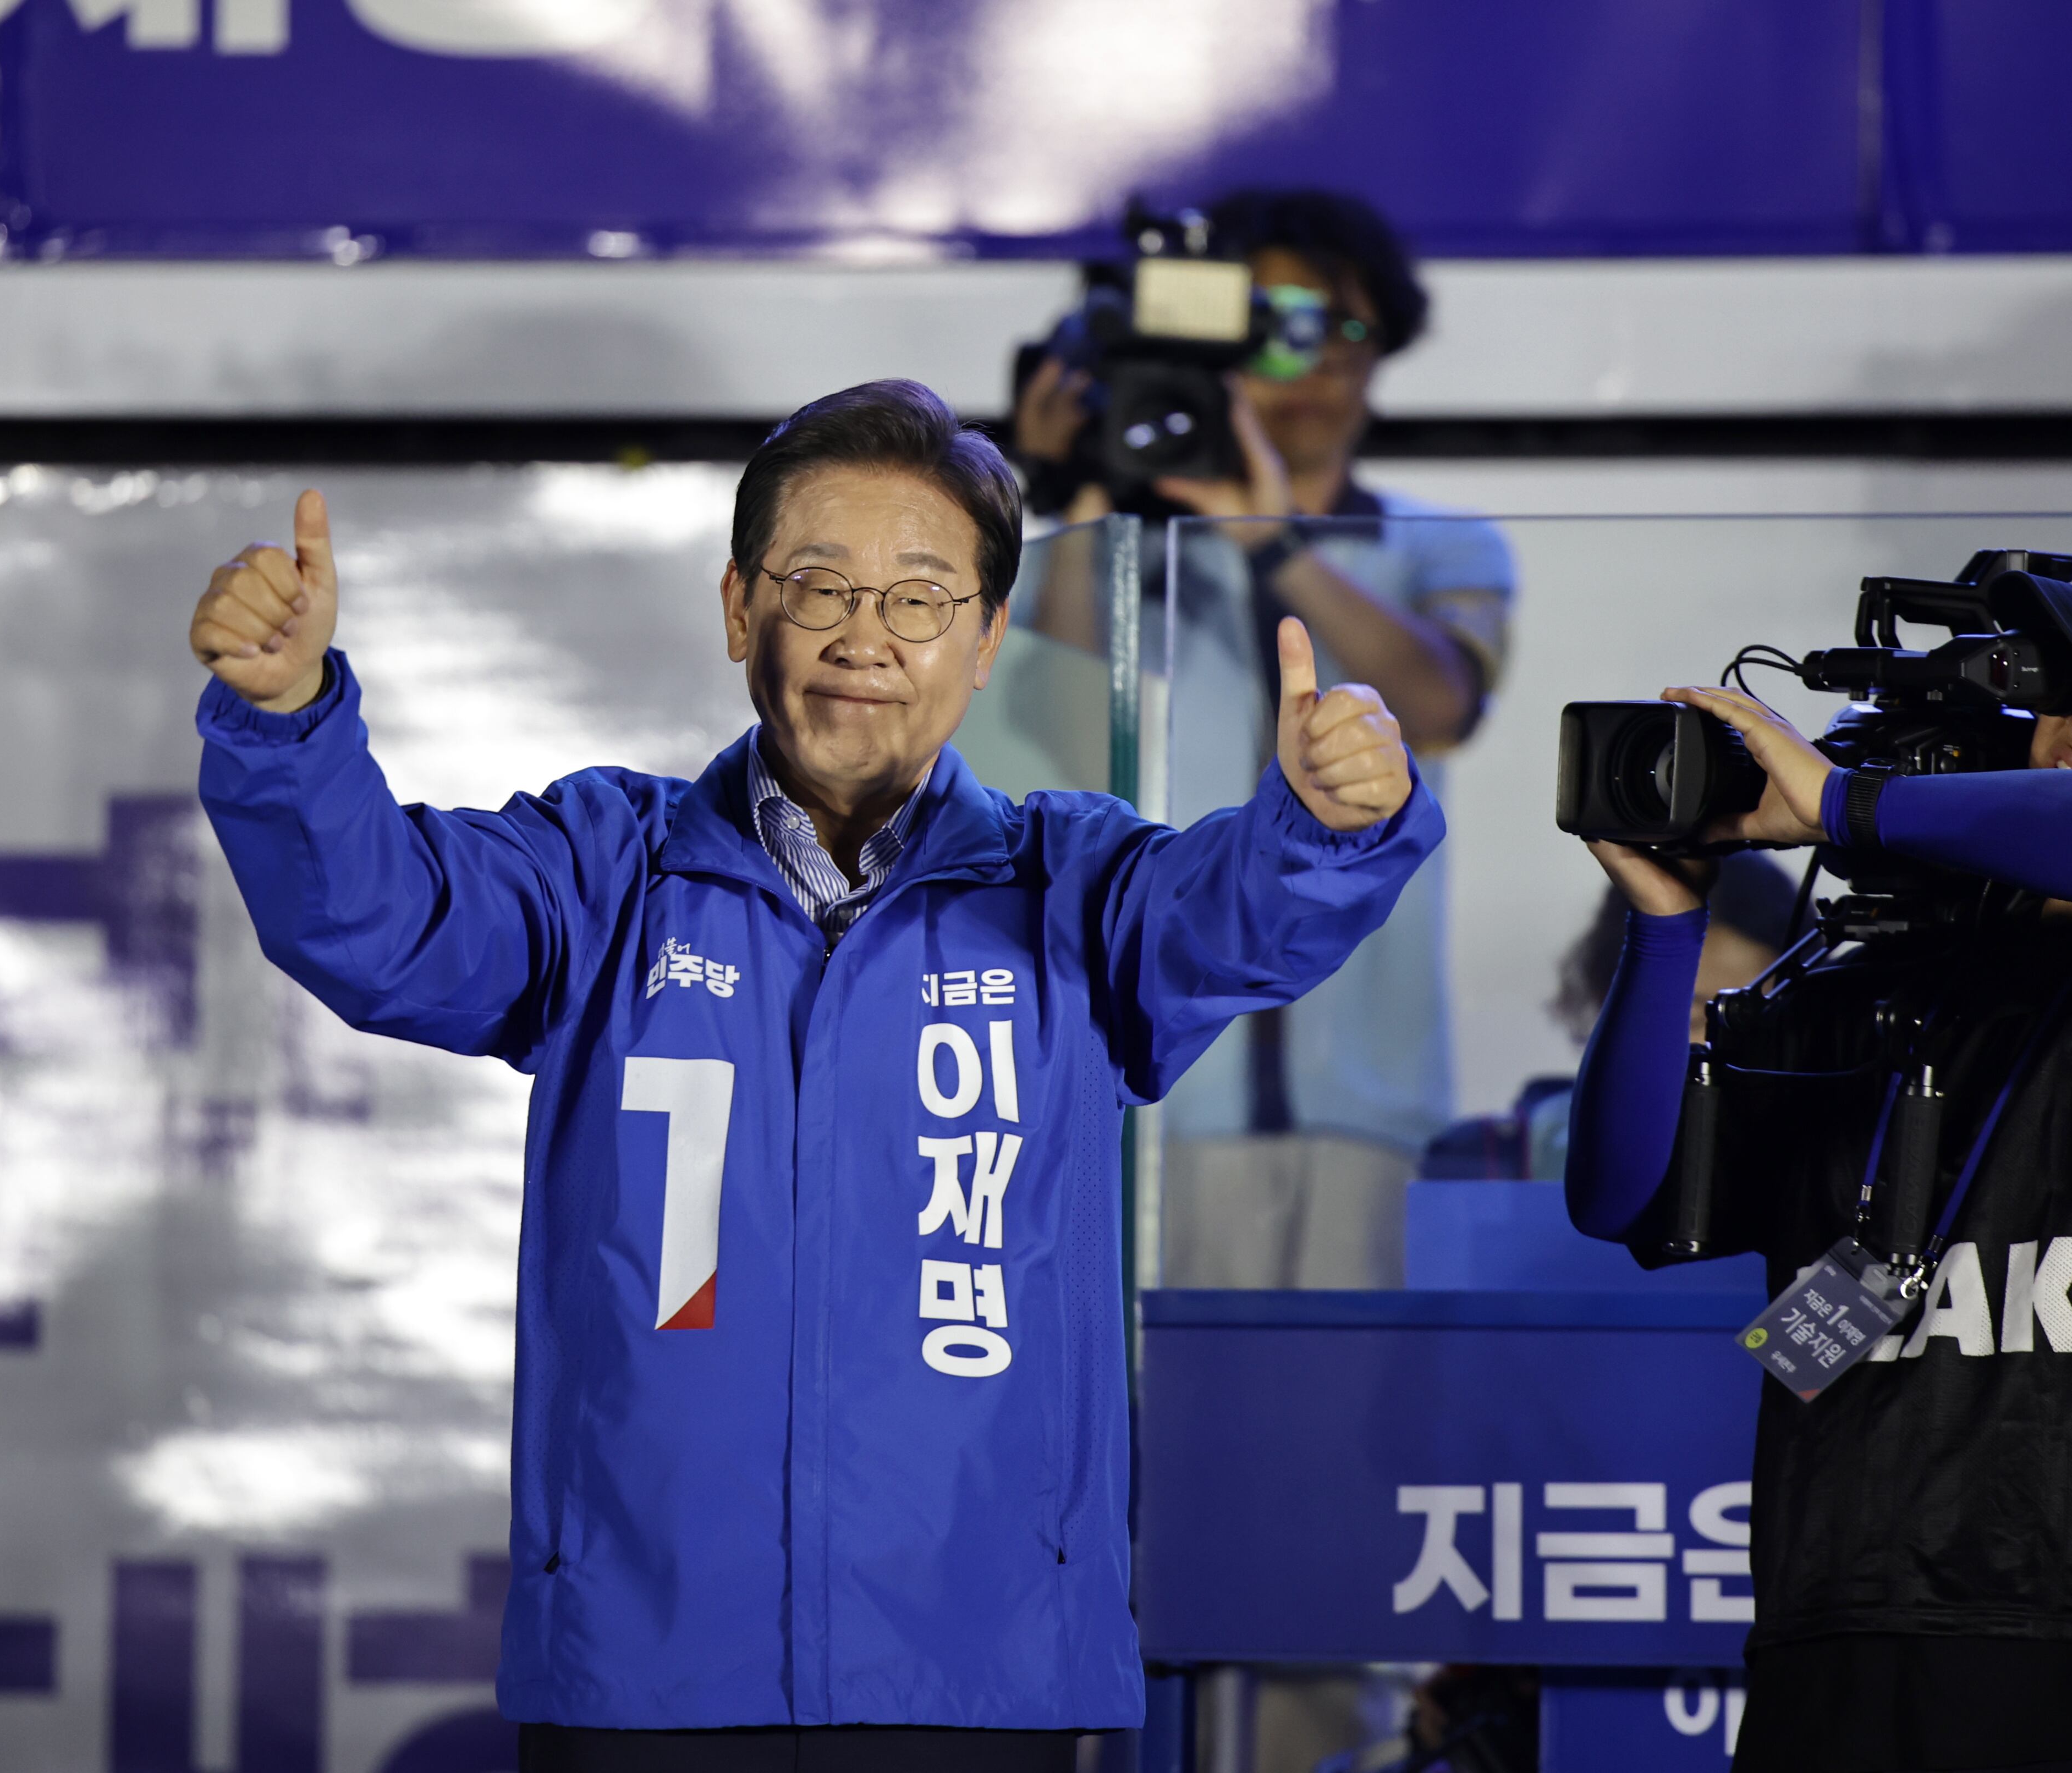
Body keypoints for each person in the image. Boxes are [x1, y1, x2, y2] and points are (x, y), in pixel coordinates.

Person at [188, 379, 1441, 1767]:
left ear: (985, 640)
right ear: (738, 610)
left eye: (917, 598)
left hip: (973, 1673)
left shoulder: (1067, 883)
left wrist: (1329, 824)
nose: (864, 636)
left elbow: (1235, 911)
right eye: (817, 584)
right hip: (647, 1667)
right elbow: (379, 922)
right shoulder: (608, 865)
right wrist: (290, 723)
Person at [1563, 533, 2072, 1771]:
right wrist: (1665, 921)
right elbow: (1622, 1193)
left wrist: (1841, 804)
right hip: (1836, 1645)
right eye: (2066, 696)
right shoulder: (1869, 980)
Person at [1014, 188, 1515, 1290]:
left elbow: (1438, 708)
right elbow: (1053, 720)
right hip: (1152, 1085)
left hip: (1364, 1108)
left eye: (1339, 327)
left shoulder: (1440, 545)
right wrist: (1084, 485)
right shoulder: (1129, 557)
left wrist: (1270, 540)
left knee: (1332, 1441)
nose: (1315, 366)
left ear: (1385, 341)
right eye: (1278, 328)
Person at [1423, 856, 1804, 1182]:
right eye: (1690, 1017)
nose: (1719, 1051)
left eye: (1754, 1022)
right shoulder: (1485, 1166)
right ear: (1611, 999)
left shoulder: (1831, 1175)